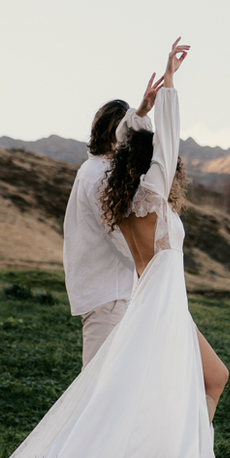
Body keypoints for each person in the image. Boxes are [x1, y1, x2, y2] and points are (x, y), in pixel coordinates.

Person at [0, 38, 227, 458]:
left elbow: (142, 142)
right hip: (141, 301)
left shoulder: (120, 188)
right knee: (108, 402)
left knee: (169, 389)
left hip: (150, 299)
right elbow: (166, 140)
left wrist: (142, 108)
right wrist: (169, 85)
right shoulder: (136, 188)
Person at [63, 76, 160, 367]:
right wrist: (151, 264)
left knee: (110, 383)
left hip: (107, 291)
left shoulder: (94, 169)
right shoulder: (99, 176)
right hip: (108, 294)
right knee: (96, 387)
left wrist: (140, 113)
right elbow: (117, 234)